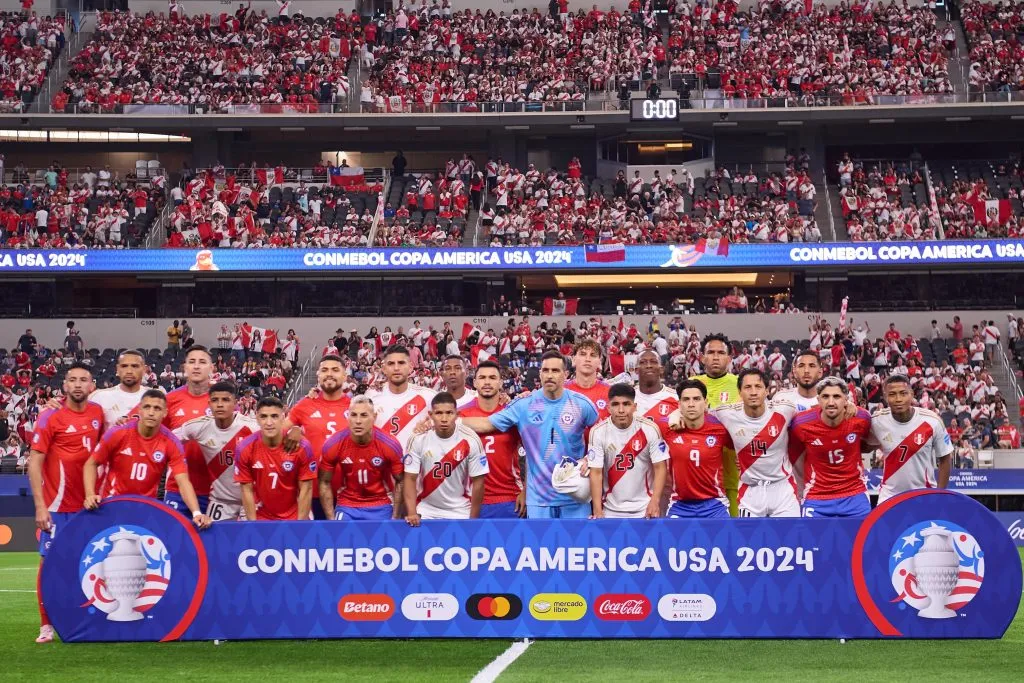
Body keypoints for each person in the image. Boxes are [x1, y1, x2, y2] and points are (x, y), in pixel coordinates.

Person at [461, 350, 600, 519]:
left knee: (577, 537)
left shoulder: (582, 404)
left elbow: (601, 434)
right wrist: (449, 421)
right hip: (538, 500)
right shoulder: (523, 405)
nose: (550, 375)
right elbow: (486, 424)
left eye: (555, 371)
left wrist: (588, 458)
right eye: (545, 370)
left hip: (575, 496)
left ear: (565, 374)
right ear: (540, 374)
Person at [27, 362, 105, 644]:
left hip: (89, 506)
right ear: (64, 385)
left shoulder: (98, 413)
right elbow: (34, 463)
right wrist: (40, 506)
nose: (78, 384)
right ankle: (46, 625)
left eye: (84, 380)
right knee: (49, 566)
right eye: (73, 379)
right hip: (57, 508)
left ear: (92, 385)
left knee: (91, 565)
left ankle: (89, 619)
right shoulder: (50, 416)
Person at [672, 369, 800, 517]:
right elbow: (698, 410)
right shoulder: (725, 414)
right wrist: (675, 414)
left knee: (791, 532)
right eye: (747, 387)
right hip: (749, 492)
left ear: (766, 391)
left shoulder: (785, 409)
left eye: (758, 387)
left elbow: (810, 417)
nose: (753, 392)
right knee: (748, 533)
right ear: (739, 392)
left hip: (783, 490)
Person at [83, 391, 212, 527]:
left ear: (165, 413)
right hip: (114, 505)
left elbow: (183, 481)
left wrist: (196, 513)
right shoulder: (118, 433)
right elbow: (91, 464)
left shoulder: (171, 442)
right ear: (139, 410)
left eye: (157, 408)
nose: (151, 413)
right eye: (147, 407)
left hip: (146, 510)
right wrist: (90, 494)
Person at [140, 346, 215, 517]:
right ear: (185, 367)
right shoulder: (170, 400)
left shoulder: (221, 400)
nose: (196, 366)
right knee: (174, 533)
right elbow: (154, 436)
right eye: (192, 362)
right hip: (177, 488)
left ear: (211, 368)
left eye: (202, 362)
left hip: (215, 490)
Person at [173, 382, 259, 522]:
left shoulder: (252, 427)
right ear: (209, 404)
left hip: (251, 499)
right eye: (215, 400)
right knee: (211, 534)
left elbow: (280, 435)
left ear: (235, 403)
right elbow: (167, 439)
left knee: (254, 536)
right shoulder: (199, 426)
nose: (219, 405)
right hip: (220, 501)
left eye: (225, 400)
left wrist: (294, 430)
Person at [788, 377, 872, 517]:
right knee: (808, 532)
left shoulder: (862, 418)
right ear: (818, 400)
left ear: (846, 400)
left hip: (855, 493)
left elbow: (871, 443)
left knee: (865, 532)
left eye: (837, 396)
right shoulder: (801, 423)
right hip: (816, 496)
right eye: (825, 397)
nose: (831, 402)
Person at [403, 392, 488, 525]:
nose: (444, 418)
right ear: (430, 415)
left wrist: (473, 520)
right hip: (425, 510)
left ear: (457, 415)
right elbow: (410, 478)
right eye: (438, 413)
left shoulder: (471, 439)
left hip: (461, 510)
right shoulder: (418, 439)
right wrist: (412, 512)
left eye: (449, 413)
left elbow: (479, 482)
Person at [284, 355, 352, 517]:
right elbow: (276, 434)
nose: (329, 374)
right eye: (324, 370)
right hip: (312, 492)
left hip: (350, 493)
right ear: (318, 375)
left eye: (335, 370)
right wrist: (292, 430)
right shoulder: (305, 404)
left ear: (344, 376)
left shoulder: (356, 407)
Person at [868, 375, 953, 503]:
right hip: (889, 497)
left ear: (912, 394)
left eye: (903, 393)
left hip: (924, 496)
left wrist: (940, 495)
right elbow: (862, 445)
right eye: (892, 394)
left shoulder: (932, 421)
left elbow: (945, 458)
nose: (898, 399)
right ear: (885, 397)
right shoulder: (877, 421)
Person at [587, 384, 668, 519]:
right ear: (608, 407)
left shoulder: (649, 429)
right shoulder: (598, 432)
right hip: (610, 510)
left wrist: (655, 501)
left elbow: (660, 468)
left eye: (626, 404)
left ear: (635, 407)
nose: (621, 410)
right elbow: (596, 473)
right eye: (615, 404)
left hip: (644, 509)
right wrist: (597, 509)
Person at [319, 396, 404, 521]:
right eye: (353, 415)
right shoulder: (333, 444)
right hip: (347, 505)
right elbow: (324, 482)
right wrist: (331, 519)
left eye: (364, 415)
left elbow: (401, 481)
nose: (358, 421)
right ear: (348, 417)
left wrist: (395, 517)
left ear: (374, 417)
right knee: (340, 533)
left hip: (381, 503)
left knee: (385, 534)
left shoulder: (390, 444)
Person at [459, 360, 525, 518]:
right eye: (482, 378)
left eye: (492, 378)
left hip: (510, 498)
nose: (487, 382)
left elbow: (533, 455)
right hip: (469, 501)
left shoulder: (513, 414)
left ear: (501, 382)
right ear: (475, 382)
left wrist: (526, 491)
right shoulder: (461, 414)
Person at [235, 397, 317, 521]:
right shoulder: (245, 448)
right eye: (263, 417)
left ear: (283, 417)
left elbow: (306, 488)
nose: (269, 423)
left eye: (274, 416)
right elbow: (246, 489)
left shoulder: (301, 446)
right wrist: (253, 525)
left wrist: (300, 525)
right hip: (260, 514)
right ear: (257, 418)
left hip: (295, 514)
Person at [664, 379, 734, 518]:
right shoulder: (667, 428)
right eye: (686, 400)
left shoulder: (721, 429)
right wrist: (673, 416)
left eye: (696, 399)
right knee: (669, 533)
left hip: (715, 505)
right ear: (679, 404)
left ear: (705, 402)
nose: (691, 404)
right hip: (679, 505)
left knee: (725, 533)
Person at [692, 333, 740, 514]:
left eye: (721, 353)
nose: (715, 357)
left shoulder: (741, 384)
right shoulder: (690, 385)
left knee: (735, 527)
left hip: (734, 473)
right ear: (702, 357)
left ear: (729, 358)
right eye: (711, 352)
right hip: (699, 476)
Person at [366, 345, 436, 449]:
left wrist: (433, 426)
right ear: (384, 368)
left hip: (417, 459)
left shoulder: (429, 397)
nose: (396, 368)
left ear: (411, 367)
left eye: (401, 363)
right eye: (391, 363)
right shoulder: (371, 398)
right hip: (381, 458)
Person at [89, 349, 153, 429]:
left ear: (144, 370)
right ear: (117, 369)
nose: (129, 371)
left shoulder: (155, 398)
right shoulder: (99, 397)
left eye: (134, 366)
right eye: (124, 366)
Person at [564, 340, 611, 420]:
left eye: (593, 355)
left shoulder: (610, 393)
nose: (587, 359)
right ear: (573, 360)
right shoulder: (561, 392)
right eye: (583, 354)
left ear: (600, 362)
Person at [634, 349, 679, 426]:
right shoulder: (628, 398)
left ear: (661, 369)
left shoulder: (676, 398)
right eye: (643, 362)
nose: (648, 366)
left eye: (654, 362)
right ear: (636, 370)